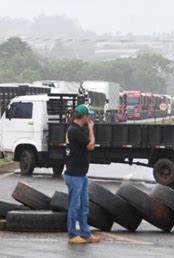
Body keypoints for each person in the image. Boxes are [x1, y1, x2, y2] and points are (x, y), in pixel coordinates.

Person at [64, 104, 100, 245]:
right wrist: (91, 129)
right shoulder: (75, 131)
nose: (89, 118)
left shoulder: (76, 129)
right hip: (74, 175)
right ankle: (72, 235)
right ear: (84, 116)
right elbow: (91, 145)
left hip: (81, 174)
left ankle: (85, 233)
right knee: (74, 206)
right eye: (88, 116)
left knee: (84, 205)